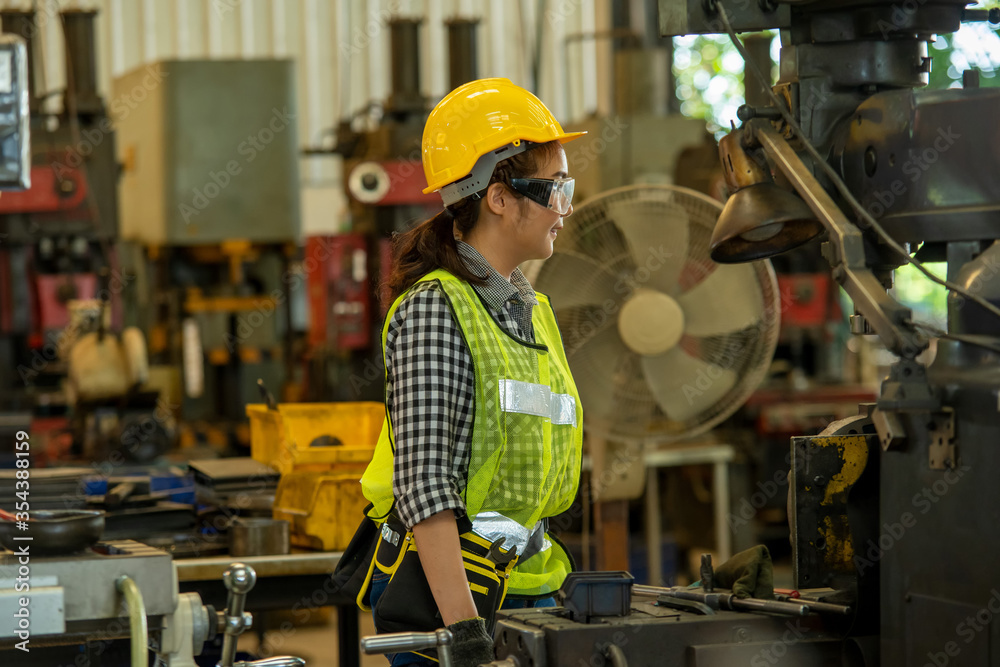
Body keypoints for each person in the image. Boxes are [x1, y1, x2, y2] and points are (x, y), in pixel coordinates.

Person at [359, 78, 586, 666]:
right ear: (499, 198)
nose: (566, 208)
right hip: (454, 602)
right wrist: (464, 634)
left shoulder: (532, 310)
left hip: (521, 588)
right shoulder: (437, 309)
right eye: (555, 189)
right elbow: (425, 490)